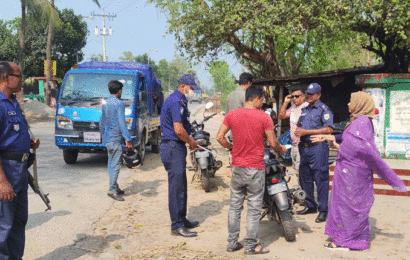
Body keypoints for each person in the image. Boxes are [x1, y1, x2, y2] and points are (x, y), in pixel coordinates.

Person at [311, 91, 407, 250]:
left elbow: (356, 147)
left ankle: (343, 241)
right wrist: (329, 137)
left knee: (348, 206)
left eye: (351, 101)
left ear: (361, 104)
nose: (348, 104)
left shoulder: (361, 122)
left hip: (353, 173)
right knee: (347, 205)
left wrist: (335, 145)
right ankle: (350, 238)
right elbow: (350, 137)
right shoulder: (361, 121)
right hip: (351, 171)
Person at [216, 85, 287, 255]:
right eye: (261, 99)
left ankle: (232, 243)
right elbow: (272, 143)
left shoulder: (231, 115)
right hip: (255, 168)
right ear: (255, 98)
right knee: (254, 207)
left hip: (237, 168)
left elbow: (219, 137)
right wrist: (282, 149)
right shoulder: (264, 118)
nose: (262, 103)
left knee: (235, 206)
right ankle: (250, 245)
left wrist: (231, 148)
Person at [0, 61, 40, 259]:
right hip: (6, 171)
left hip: (20, 170)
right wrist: (2, 181)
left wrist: (28, 142)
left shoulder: (14, 102)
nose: (21, 79)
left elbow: (10, 135)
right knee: (4, 226)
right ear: (6, 77)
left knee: (18, 222)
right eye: (18, 75)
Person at [160, 74, 200, 237]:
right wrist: (190, 141)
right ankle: (176, 225)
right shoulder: (176, 101)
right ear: (183, 87)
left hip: (175, 147)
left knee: (181, 186)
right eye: (191, 88)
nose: (192, 91)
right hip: (172, 146)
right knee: (176, 188)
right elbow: (178, 129)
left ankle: (182, 219)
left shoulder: (180, 100)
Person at [295, 83, 333, 223]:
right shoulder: (305, 110)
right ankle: (310, 205)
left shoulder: (324, 110)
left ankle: (323, 210)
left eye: (312, 94)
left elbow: (328, 129)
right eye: (308, 94)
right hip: (304, 148)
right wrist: (299, 132)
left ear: (319, 95)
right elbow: (300, 126)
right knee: (305, 178)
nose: (309, 96)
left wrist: (307, 132)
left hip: (318, 148)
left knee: (321, 178)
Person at [99, 80, 133, 201]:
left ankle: (115, 186)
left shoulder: (106, 103)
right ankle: (112, 190)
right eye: (121, 91)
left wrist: (103, 136)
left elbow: (101, 122)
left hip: (108, 139)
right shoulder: (119, 104)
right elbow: (122, 123)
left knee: (111, 164)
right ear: (119, 91)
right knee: (116, 165)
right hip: (115, 139)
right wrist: (127, 139)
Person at [225, 72, 253, 177]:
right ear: (249, 83)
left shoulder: (229, 96)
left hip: (234, 136)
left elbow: (226, 117)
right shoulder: (247, 95)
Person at [278, 86, 308, 174]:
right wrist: (285, 102)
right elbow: (281, 116)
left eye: (297, 96)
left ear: (303, 96)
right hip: (294, 145)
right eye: (293, 96)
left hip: (303, 145)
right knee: (296, 170)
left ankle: (304, 187)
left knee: (302, 171)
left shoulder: (307, 107)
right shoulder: (293, 108)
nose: (294, 98)